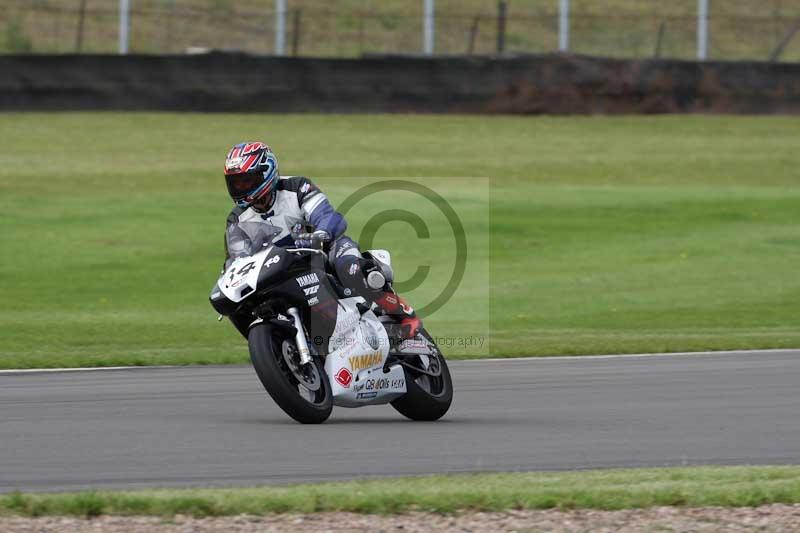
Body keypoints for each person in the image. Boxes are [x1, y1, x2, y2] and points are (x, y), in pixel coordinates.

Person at [222, 141, 421, 340]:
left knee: (349, 267)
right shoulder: (237, 219)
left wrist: (321, 234)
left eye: (247, 180)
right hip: (284, 271)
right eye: (236, 182)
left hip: (325, 249)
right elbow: (239, 258)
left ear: (266, 173)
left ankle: (403, 314)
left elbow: (326, 215)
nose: (241, 187)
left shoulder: (297, 187)